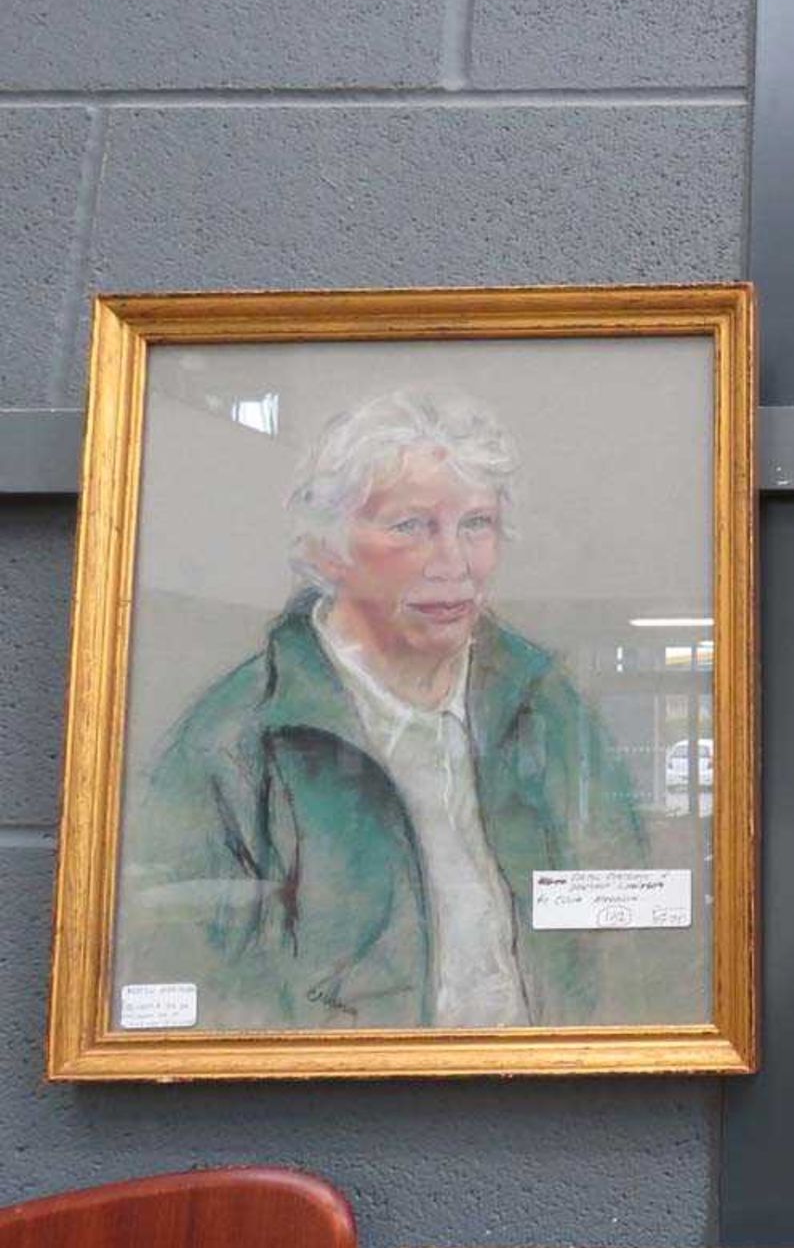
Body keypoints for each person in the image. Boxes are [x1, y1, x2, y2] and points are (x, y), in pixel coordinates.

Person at [116, 388, 649, 1030]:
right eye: (411, 526)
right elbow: (193, 984)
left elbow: (629, 931)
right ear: (326, 549)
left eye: (476, 523)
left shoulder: (547, 704)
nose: (454, 563)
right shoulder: (234, 739)